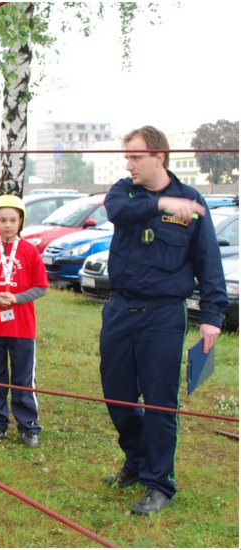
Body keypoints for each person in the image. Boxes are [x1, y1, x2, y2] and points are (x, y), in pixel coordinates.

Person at [99, 125, 227, 515]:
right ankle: (136, 461)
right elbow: (116, 211)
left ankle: (159, 482)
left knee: (159, 403)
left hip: (163, 316)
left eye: (136, 157)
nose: (129, 164)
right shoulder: (125, 192)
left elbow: (208, 261)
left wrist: (211, 316)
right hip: (120, 310)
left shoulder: (192, 201)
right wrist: (160, 205)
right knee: (117, 398)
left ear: (159, 156)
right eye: (127, 157)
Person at [0, 194, 48, 447]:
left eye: (12, 220)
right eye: (2, 220)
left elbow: (41, 287)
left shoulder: (29, 251)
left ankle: (28, 427)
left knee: (23, 377)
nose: (7, 225)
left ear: (20, 221)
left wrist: (16, 298)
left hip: (22, 327)